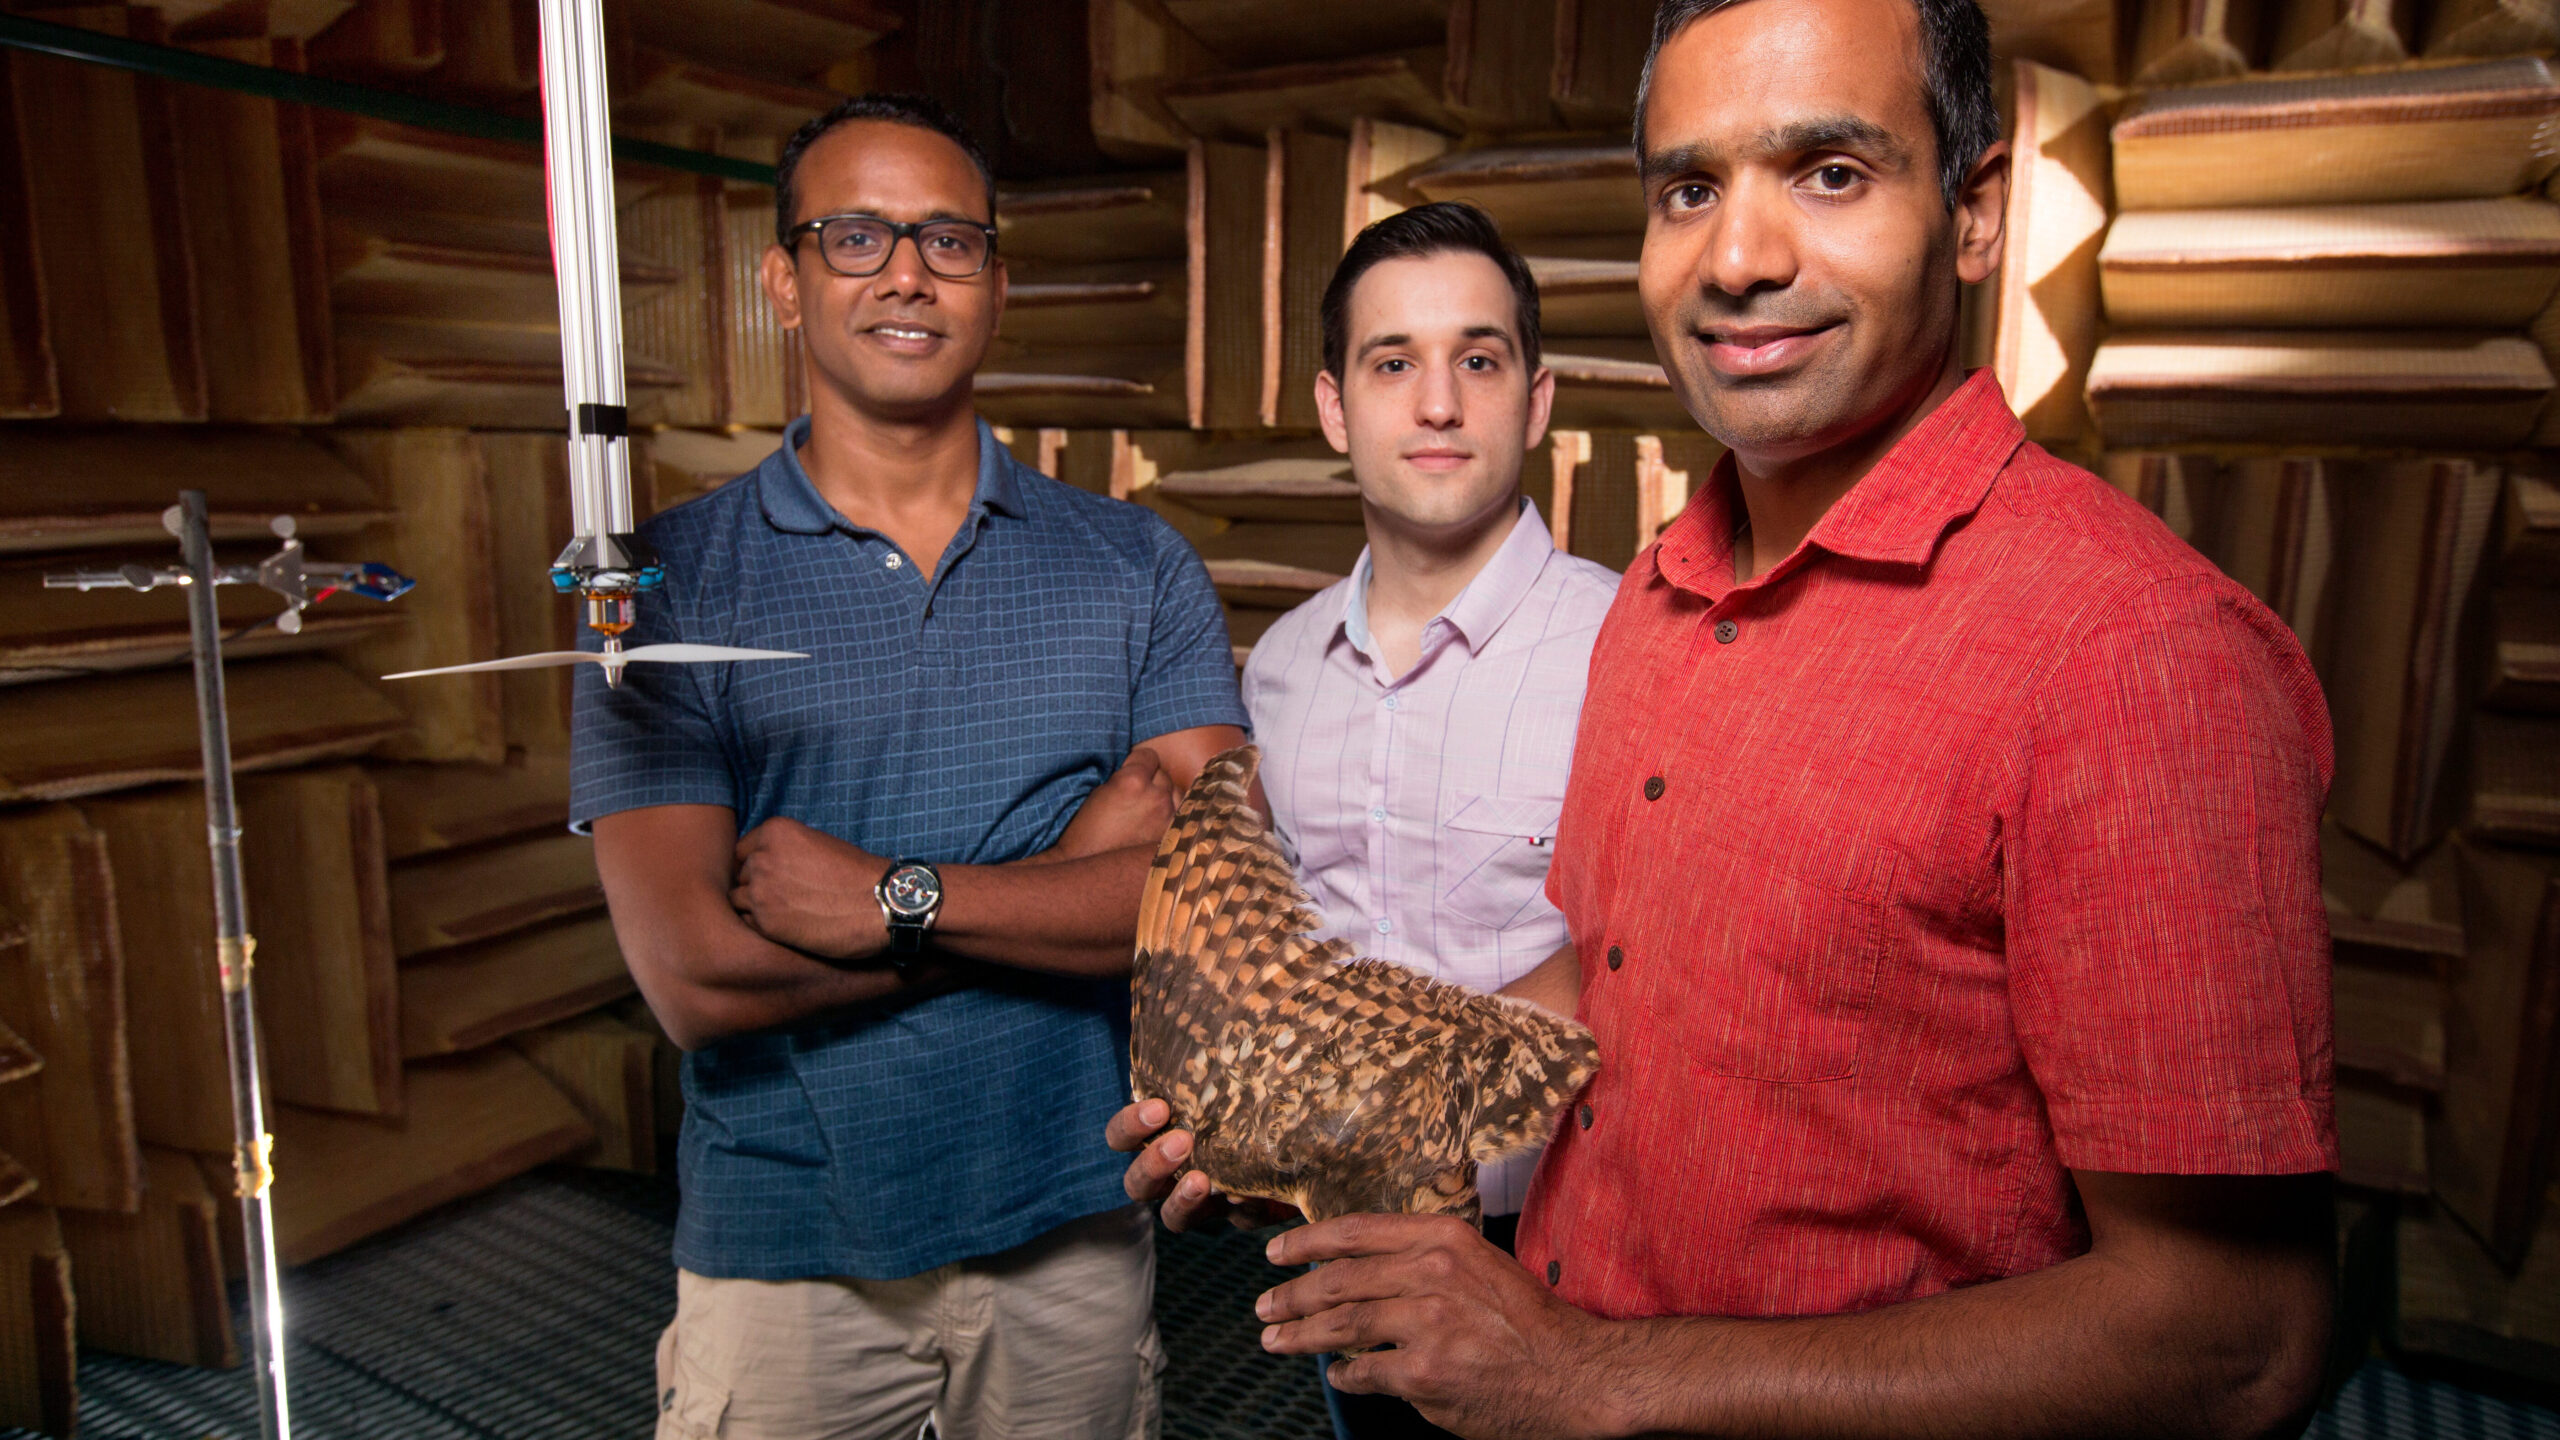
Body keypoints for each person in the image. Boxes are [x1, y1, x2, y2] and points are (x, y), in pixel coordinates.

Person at [1114, 0, 2342, 1433]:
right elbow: (1633, 989)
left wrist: (1585, 1374)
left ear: (1975, 210)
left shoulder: (2132, 652)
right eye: (1690, 189)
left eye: (1830, 172)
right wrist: (1322, 1113)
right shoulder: (1659, 598)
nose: (1741, 258)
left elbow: (2238, 1338)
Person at [577, 93, 1249, 1440]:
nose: (905, 271)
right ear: (783, 280)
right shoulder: (661, 582)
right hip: (787, 1256)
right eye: (855, 235)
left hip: (1074, 1229)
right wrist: (1065, 881)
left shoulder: (1134, 562)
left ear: (998, 285)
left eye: (948, 239)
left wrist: (896, 896)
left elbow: (1221, 897)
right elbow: (697, 977)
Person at [1233, 201, 1619, 1439]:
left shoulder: (1633, 651)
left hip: (1572, 1247)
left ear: (1537, 399)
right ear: (1336, 406)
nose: (1438, 403)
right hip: (1343, 1235)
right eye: (1393, 363)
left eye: (1479, 359)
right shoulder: (1280, 668)